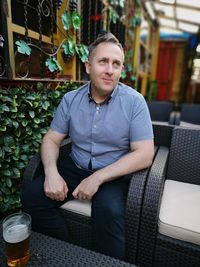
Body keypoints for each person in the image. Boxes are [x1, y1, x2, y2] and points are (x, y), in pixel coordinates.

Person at [22, 32, 154, 260]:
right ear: (88, 66)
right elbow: (52, 139)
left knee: (109, 212)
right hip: (75, 165)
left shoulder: (135, 102)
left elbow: (145, 153)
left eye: (117, 64)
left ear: (121, 70)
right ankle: (67, 254)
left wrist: (98, 178)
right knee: (32, 196)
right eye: (103, 62)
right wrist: (51, 173)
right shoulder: (71, 99)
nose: (110, 70)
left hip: (113, 173)